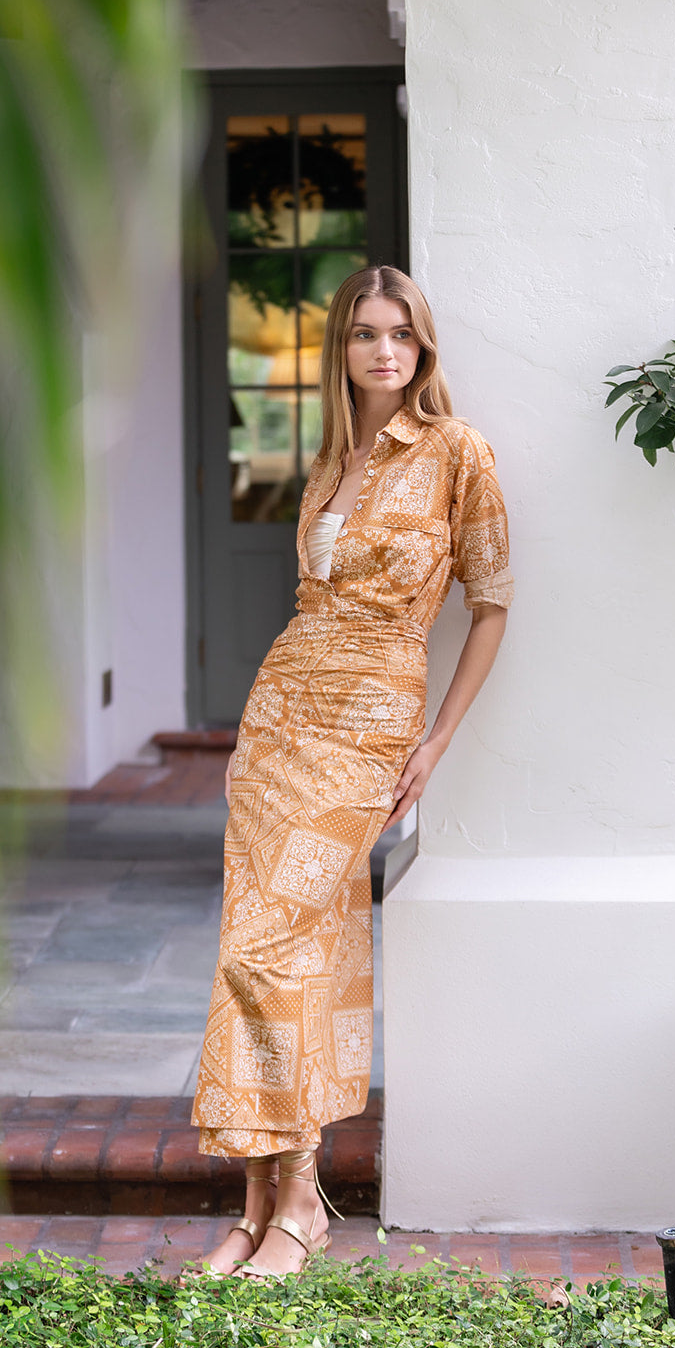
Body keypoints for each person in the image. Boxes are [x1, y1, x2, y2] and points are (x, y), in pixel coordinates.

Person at [186, 265, 513, 1282]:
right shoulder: (328, 459)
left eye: (400, 334)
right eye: (365, 333)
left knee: (272, 946)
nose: (383, 351)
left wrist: (435, 741)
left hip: (372, 719)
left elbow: (491, 602)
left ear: (422, 347)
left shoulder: (456, 451)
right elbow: (308, 601)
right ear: (341, 347)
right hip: (281, 708)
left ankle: (296, 1202)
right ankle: (261, 1205)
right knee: (256, 944)